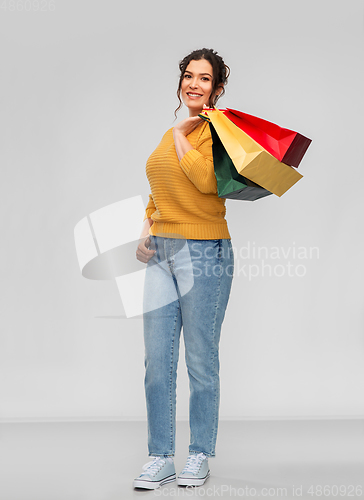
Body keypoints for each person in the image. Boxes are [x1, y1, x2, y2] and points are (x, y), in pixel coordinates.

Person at [133, 48, 234, 490]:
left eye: (204, 79)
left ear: (218, 88)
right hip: (162, 254)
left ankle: (199, 455)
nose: (194, 84)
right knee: (157, 361)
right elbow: (161, 185)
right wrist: (146, 226)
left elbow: (207, 183)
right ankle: (160, 455)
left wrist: (179, 133)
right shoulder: (170, 132)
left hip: (204, 252)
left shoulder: (220, 131)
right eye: (189, 76)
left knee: (199, 359)